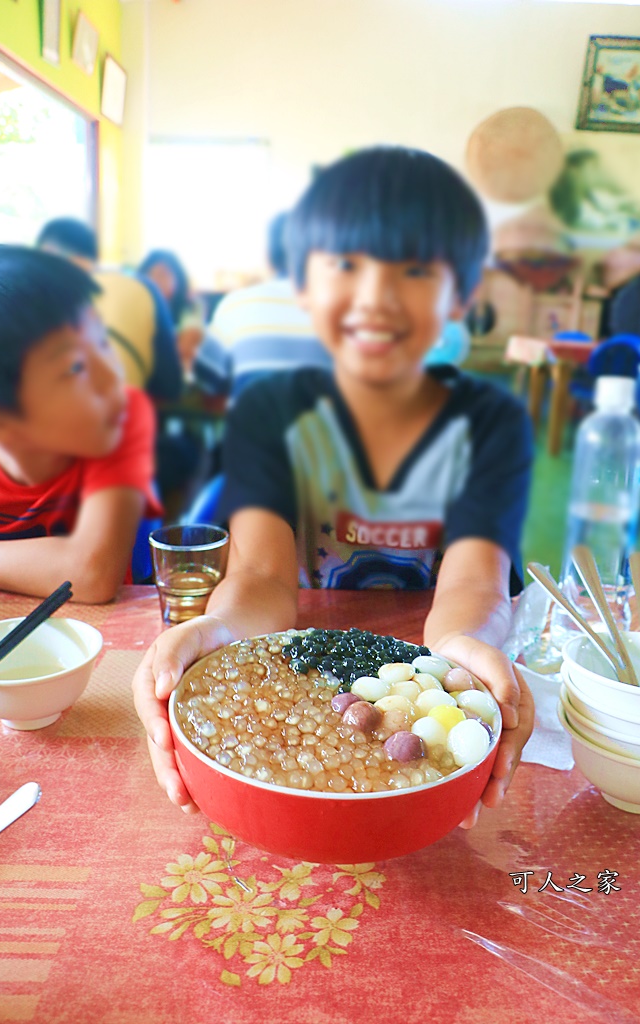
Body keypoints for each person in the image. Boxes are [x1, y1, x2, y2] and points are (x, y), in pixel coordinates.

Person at [133, 145, 535, 824]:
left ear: (460, 294)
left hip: (421, 668)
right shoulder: (269, 414)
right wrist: (218, 627)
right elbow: (261, 574)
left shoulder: (488, 422)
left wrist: (463, 646)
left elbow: (473, 580)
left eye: (412, 269)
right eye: (345, 265)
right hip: (310, 675)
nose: (374, 298)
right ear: (304, 285)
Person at [0, 245, 160, 603]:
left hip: (95, 639)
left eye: (102, 342)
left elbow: (91, 573)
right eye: (74, 367)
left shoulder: (119, 418)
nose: (112, 376)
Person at [37, 219, 183, 402]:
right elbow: (171, 386)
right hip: (122, 419)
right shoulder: (144, 288)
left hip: (43, 420)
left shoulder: (32, 296)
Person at [193, 210, 332, 399]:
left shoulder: (236, 305)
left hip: (251, 426)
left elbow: (207, 381)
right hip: (323, 427)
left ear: (267, 256)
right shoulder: (335, 308)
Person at [138, 249, 206, 375]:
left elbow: (184, 350)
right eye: (150, 274)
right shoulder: (138, 307)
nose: (155, 281)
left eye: (163, 274)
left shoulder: (192, 307)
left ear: (178, 279)